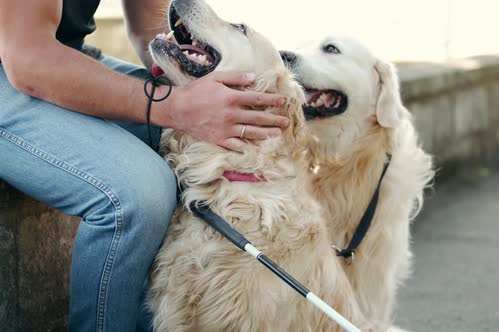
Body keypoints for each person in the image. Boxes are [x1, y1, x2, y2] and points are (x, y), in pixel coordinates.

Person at [0, 0, 289, 331]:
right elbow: (28, 58)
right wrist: (175, 106)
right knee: (138, 192)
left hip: (65, 53)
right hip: (20, 62)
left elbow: (148, 21)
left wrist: (186, 70)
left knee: (229, 133)